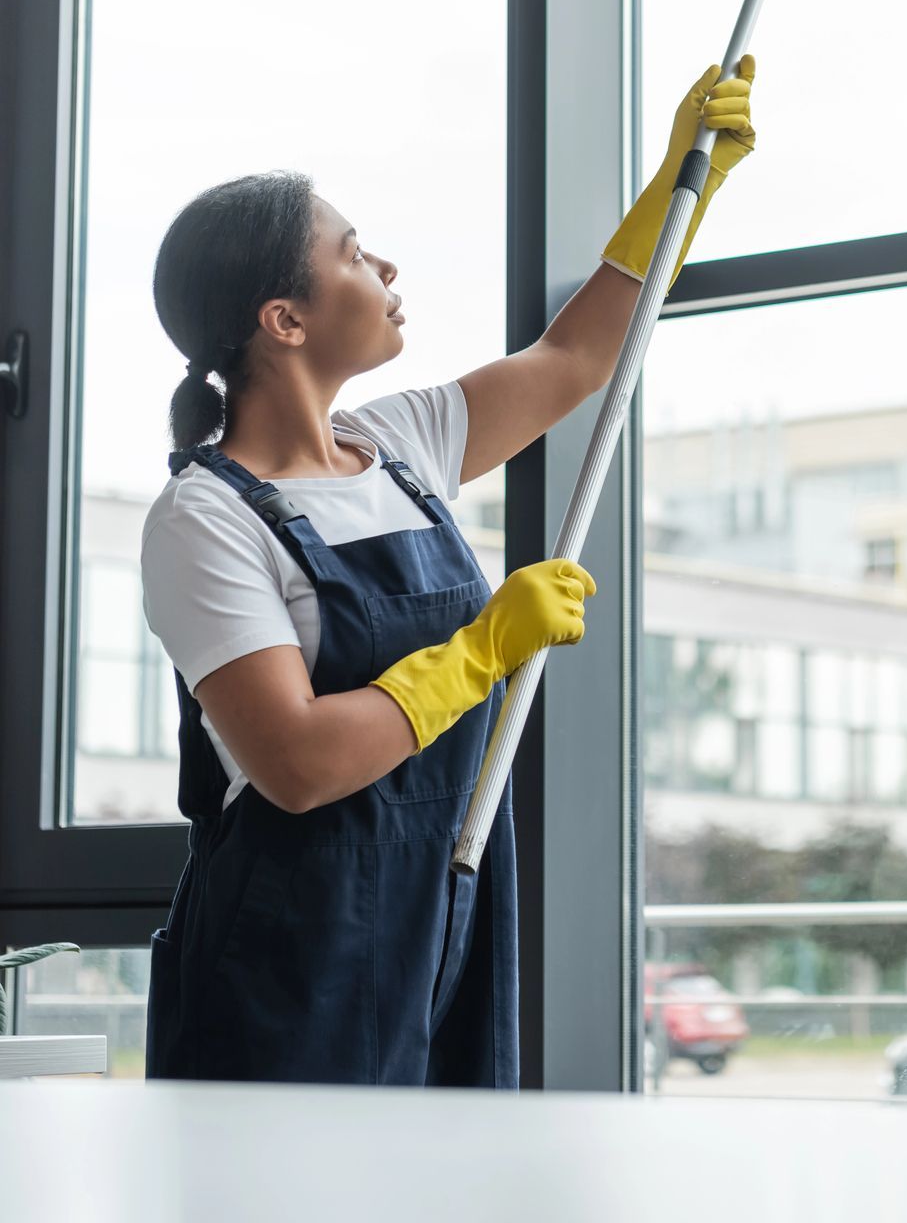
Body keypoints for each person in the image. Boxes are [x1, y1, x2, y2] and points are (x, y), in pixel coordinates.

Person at [141, 58, 757, 1086]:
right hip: (289, 962)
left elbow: (577, 358)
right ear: (284, 319)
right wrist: (480, 652)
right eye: (350, 253)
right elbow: (294, 761)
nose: (384, 264)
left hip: (444, 910)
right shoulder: (202, 518)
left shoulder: (398, 444)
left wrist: (682, 182)